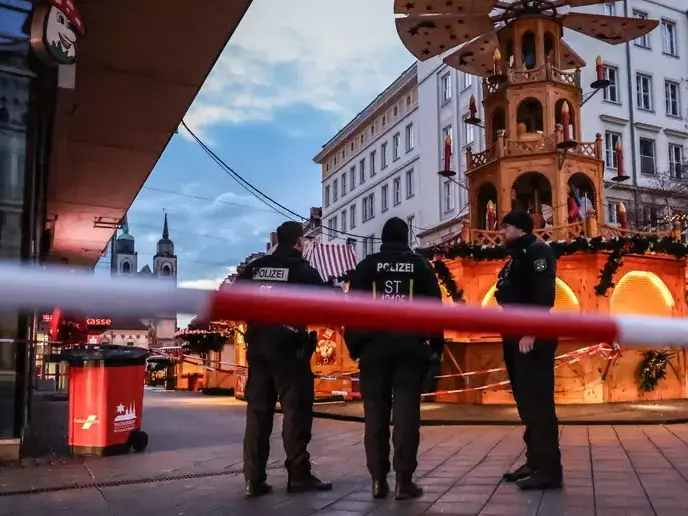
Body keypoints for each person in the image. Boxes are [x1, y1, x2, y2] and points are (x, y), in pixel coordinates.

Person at [345, 217, 443, 501]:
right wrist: (436, 346)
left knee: (374, 416)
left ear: (383, 238)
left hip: (374, 349)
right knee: (406, 416)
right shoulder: (420, 266)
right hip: (410, 348)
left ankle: (378, 480)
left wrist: (356, 347)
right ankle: (404, 481)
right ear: (406, 236)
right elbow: (434, 308)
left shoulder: (367, 266)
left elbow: (352, 309)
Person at [235, 221, 333, 498]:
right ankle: (298, 476)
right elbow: (327, 301)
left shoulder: (255, 268)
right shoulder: (302, 270)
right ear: (300, 242)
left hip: (258, 347)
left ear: (278, 239)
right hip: (290, 349)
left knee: (258, 414)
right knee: (296, 413)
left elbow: (233, 296)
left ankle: (254, 479)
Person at [495, 210, 562, 490]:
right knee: (526, 404)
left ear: (519, 229)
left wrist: (530, 331)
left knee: (538, 404)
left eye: (506, 227)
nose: (503, 233)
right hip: (514, 334)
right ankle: (534, 461)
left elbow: (543, 294)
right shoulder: (516, 257)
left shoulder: (538, 252)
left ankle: (549, 469)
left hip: (531, 336)